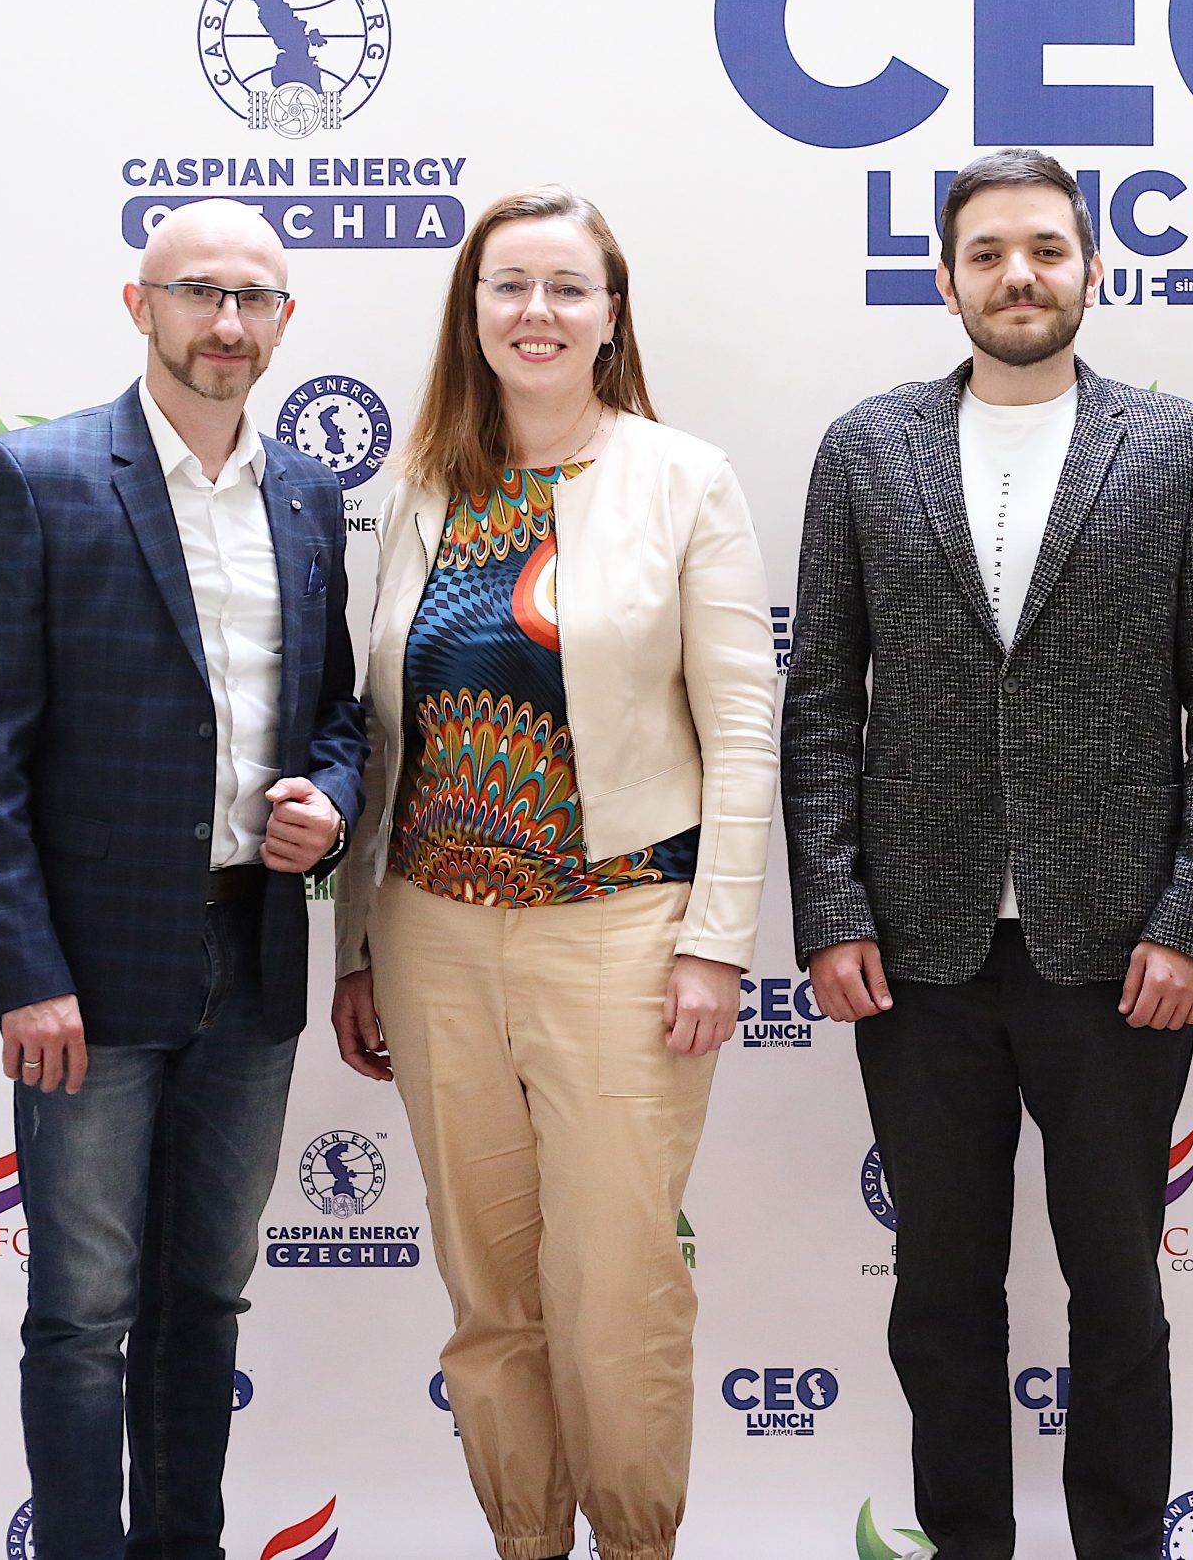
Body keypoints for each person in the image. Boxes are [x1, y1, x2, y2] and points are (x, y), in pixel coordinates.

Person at [781, 147, 1193, 1560]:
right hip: (916, 951)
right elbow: (821, 701)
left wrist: (1190, 921)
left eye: (1047, 250)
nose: (1019, 276)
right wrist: (832, 910)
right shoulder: (864, 450)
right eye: (988, 253)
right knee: (940, 1297)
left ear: (1093, 272)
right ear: (945, 279)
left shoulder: (1179, 452)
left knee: (1119, 1295)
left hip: (1118, 955)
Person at [327, 187, 777, 1560]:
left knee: (616, 1287)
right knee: (489, 1293)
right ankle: (524, 1539)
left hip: (622, 934)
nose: (537, 312)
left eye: (567, 288)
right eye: (508, 285)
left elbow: (742, 726)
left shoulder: (682, 479)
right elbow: (385, 732)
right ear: (471, 313)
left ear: (611, 316)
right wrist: (358, 948)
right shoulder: (422, 490)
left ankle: (635, 1544)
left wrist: (715, 941)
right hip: (433, 937)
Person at [0, 198, 364, 1560]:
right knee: (81, 1315)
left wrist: (332, 800)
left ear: (284, 321)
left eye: (254, 299)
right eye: (198, 293)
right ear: (140, 305)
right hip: (88, 975)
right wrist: (27, 970)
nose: (227, 323)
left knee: (206, 1301)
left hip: (255, 960)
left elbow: (340, 714)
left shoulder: (308, 495)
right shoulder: (36, 476)